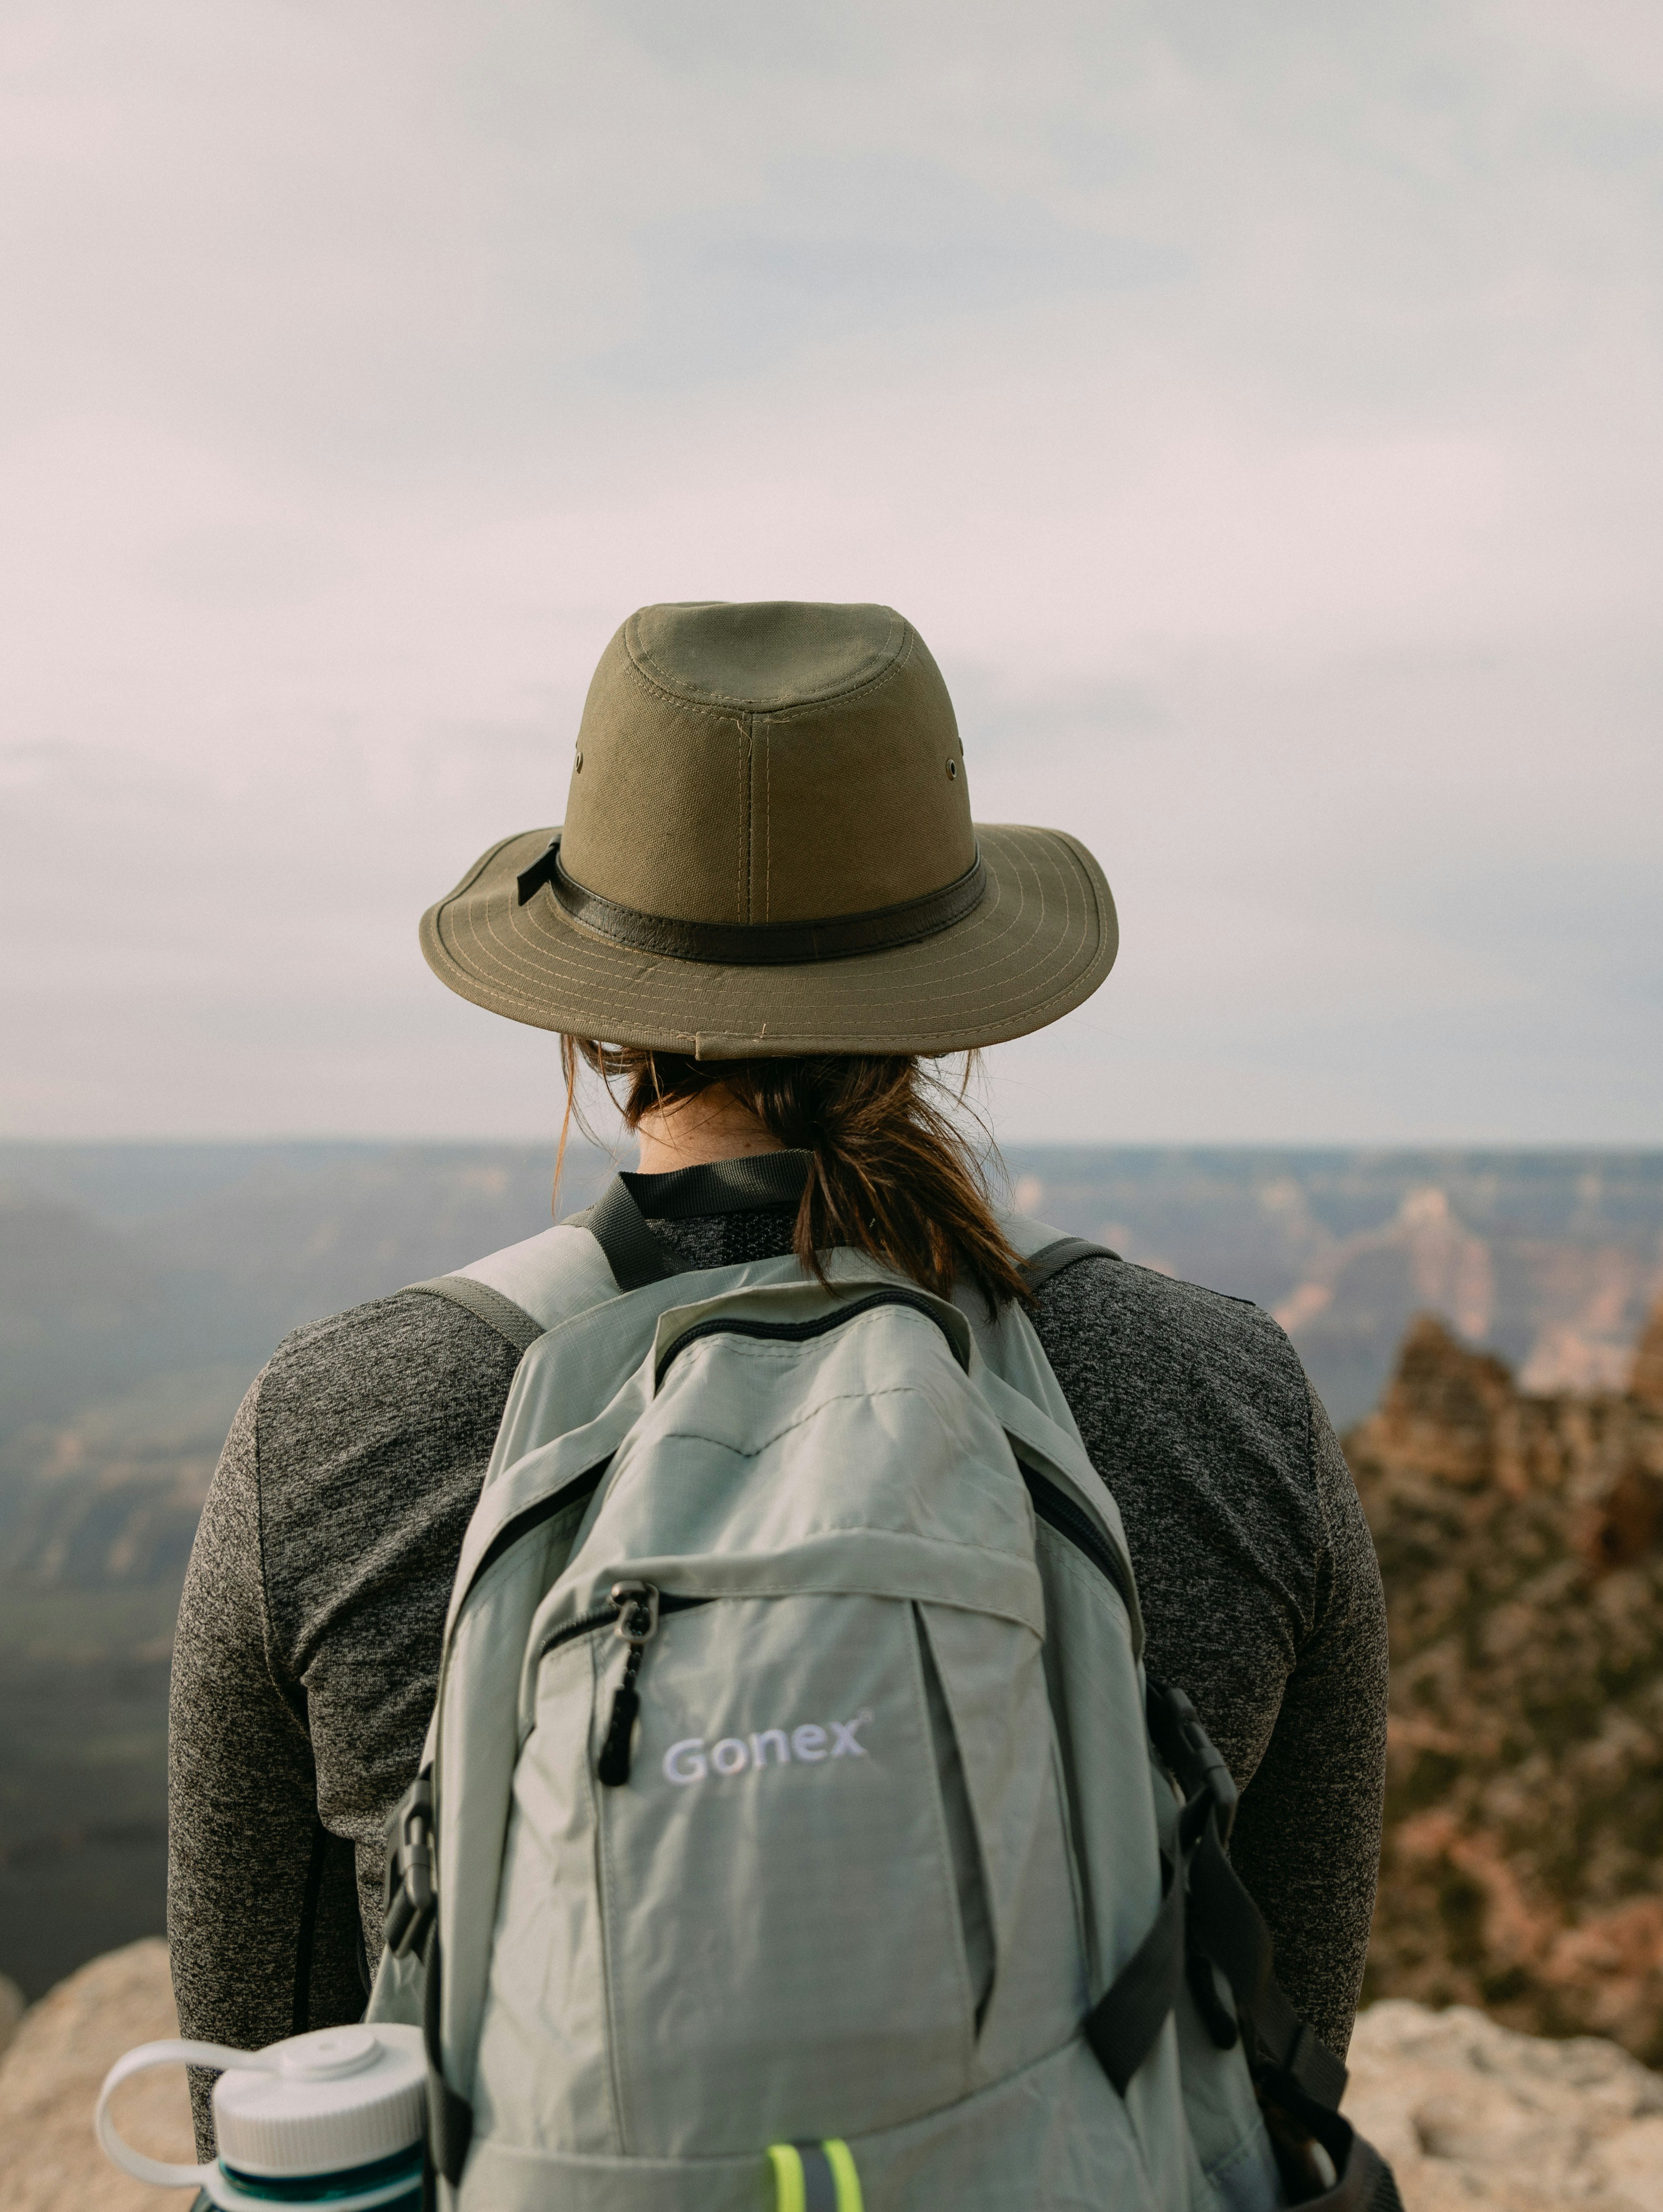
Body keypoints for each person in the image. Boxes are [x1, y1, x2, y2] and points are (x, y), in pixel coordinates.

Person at [167, 598, 1386, 2165]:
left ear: (592, 1022)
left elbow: (258, 2093)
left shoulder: (342, 1420)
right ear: (947, 995)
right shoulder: (1222, 1400)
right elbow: (1279, 2073)